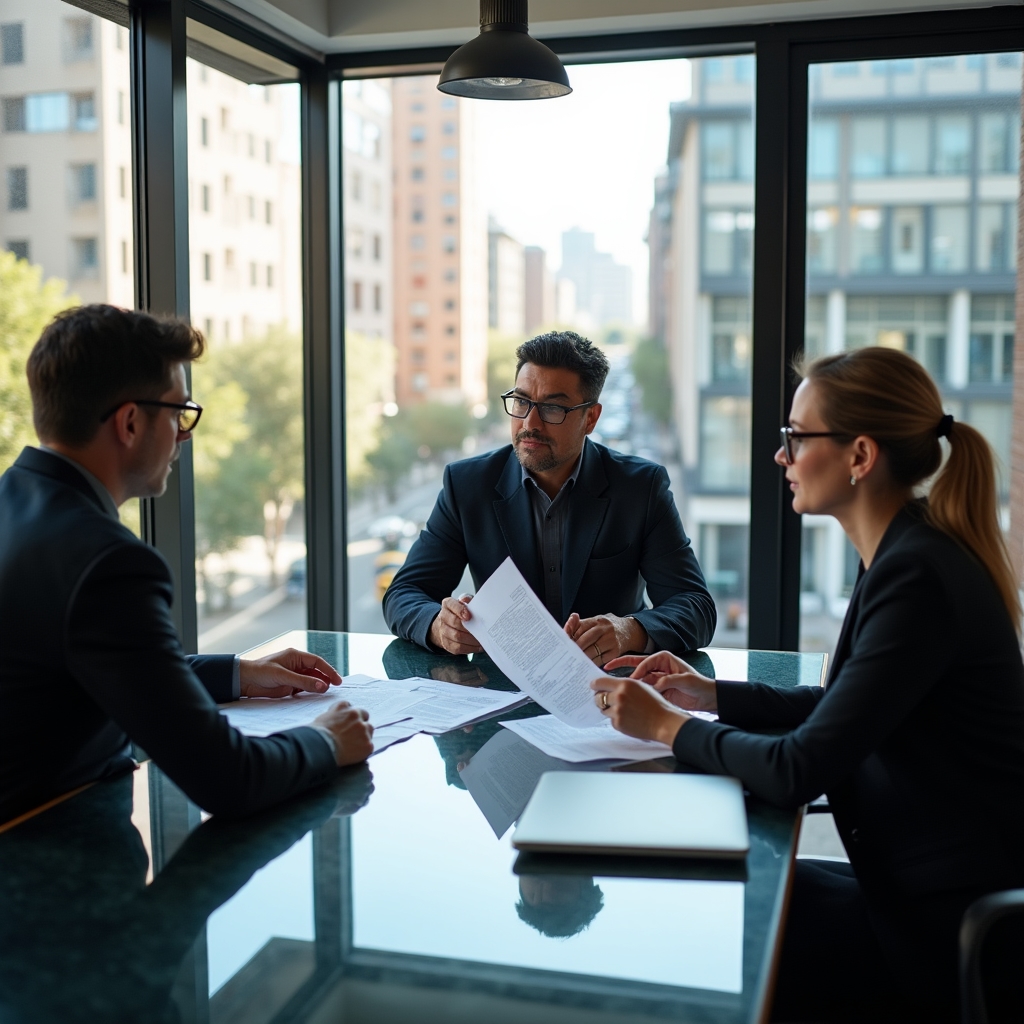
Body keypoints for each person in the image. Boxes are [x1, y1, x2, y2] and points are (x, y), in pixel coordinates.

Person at [591, 346, 1024, 1022]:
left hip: (936, 930)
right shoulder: (905, 553)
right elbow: (845, 709)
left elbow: (798, 769)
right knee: (722, 893)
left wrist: (667, 727)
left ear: (859, 456)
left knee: (708, 929)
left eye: (796, 436)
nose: (780, 455)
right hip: (914, 886)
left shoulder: (917, 577)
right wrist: (709, 695)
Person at [0, 305, 373, 827]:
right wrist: (326, 741)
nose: (184, 435)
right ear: (130, 422)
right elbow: (228, 777)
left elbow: (110, 670)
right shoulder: (107, 561)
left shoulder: (15, 506)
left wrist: (241, 674)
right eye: (178, 413)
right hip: (53, 868)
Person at [383, 331, 716, 662]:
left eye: (553, 408)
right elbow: (403, 594)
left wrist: (629, 631)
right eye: (522, 401)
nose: (530, 423)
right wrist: (438, 627)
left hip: (608, 688)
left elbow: (695, 607)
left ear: (591, 418)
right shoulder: (467, 484)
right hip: (500, 686)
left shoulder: (641, 488)